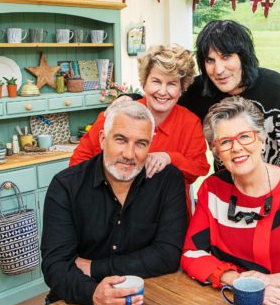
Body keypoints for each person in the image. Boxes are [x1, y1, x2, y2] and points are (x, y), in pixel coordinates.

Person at [181, 97, 280, 305]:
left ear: (261, 140)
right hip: (237, 299)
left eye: (245, 136)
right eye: (225, 141)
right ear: (216, 151)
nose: (236, 148)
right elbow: (191, 254)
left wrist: (278, 279)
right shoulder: (213, 189)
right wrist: (240, 282)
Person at [41, 101, 188, 305]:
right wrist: (93, 294)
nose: (129, 154)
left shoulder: (168, 181)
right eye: (120, 139)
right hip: (77, 300)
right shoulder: (66, 186)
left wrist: (94, 268)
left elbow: (168, 255)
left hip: (146, 301)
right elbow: (55, 265)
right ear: (102, 139)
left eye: (141, 143)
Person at [178, 20, 280, 203]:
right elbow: (160, 101)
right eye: (210, 60)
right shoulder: (196, 92)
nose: (219, 70)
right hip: (229, 194)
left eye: (226, 57)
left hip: (276, 193)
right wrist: (131, 100)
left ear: (243, 56)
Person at [70, 44, 210, 216]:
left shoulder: (190, 122)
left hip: (170, 218)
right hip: (113, 215)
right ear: (144, 82)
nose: (163, 91)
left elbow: (199, 168)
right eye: (156, 81)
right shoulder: (117, 114)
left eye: (172, 84)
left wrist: (169, 158)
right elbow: (78, 164)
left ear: (182, 88)